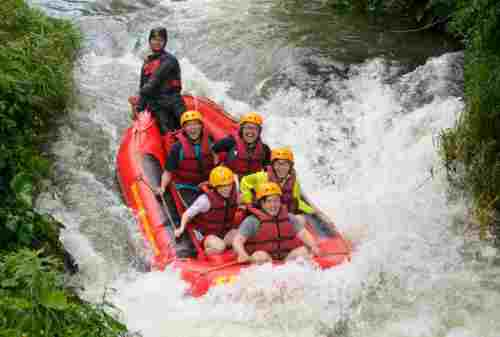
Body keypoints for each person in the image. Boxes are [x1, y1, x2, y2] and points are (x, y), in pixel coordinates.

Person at [232, 182, 321, 264]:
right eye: (269, 201)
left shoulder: (289, 217)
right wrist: (242, 253)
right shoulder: (252, 221)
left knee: (303, 251)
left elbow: (304, 234)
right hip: (266, 261)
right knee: (259, 256)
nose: (273, 205)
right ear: (262, 203)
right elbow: (237, 241)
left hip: (287, 259)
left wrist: (313, 246)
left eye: (276, 201)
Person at [174, 166, 240, 255]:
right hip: (208, 235)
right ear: (215, 187)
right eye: (222, 186)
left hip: (225, 232)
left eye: (229, 185)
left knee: (241, 236)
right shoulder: (205, 200)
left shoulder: (235, 193)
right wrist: (181, 228)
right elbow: (187, 214)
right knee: (220, 247)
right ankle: (203, 255)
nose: (227, 189)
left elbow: (236, 178)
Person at [158, 110, 215, 206]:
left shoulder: (209, 141)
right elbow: (168, 172)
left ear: (201, 126)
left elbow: (218, 162)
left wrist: (212, 182)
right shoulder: (177, 147)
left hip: (208, 182)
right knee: (198, 209)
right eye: (189, 125)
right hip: (187, 186)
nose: (193, 128)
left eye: (196, 124)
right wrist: (162, 187)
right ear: (184, 128)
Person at [136, 27, 186, 134]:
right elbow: (142, 85)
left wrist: (139, 105)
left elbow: (153, 82)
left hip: (173, 101)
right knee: (166, 132)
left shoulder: (169, 60)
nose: (157, 42)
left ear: (165, 42)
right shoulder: (147, 62)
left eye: (160, 40)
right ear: (149, 41)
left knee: (187, 124)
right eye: (154, 39)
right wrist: (139, 108)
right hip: (157, 106)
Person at [240, 147, 314, 215]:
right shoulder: (262, 176)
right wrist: (248, 201)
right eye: (278, 164)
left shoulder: (294, 182)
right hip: (261, 212)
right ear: (273, 165)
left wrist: (311, 211)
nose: (281, 168)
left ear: (290, 166)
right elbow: (244, 182)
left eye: (285, 164)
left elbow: (296, 201)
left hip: (280, 214)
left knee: (299, 220)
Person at [212, 112, 271, 179]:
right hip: (231, 181)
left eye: (255, 128)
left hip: (251, 183)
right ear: (242, 130)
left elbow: (267, 169)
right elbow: (214, 149)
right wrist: (216, 166)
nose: (250, 132)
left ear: (259, 132)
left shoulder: (265, 149)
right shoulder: (230, 142)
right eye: (248, 127)